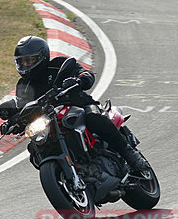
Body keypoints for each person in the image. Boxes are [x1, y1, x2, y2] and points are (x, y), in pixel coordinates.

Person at [11, 35, 149, 171]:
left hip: (78, 106)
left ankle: (128, 153)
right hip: (50, 122)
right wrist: (12, 120)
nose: (25, 65)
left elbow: (82, 72)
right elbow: (22, 107)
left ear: (42, 57)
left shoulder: (58, 64)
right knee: (34, 147)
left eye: (29, 61)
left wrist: (81, 78)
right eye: (21, 62)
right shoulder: (23, 86)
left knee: (94, 118)